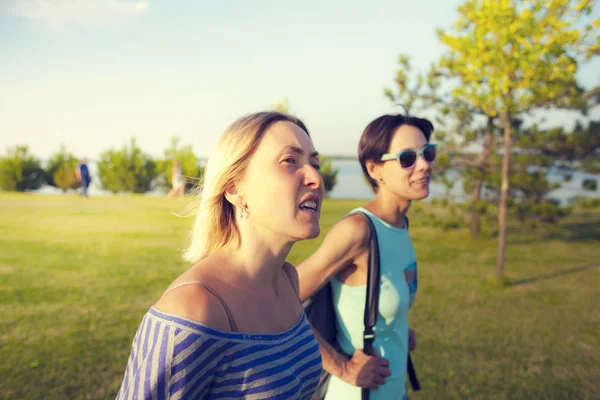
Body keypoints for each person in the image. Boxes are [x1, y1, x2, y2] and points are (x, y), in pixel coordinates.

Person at [116, 111, 324, 399]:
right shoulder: (193, 310)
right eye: (290, 161)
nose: (315, 177)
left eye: (315, 163)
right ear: (234, 188)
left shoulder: (288, 279)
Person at [297, 113, 436, 400]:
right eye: (408, 158)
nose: (424, 165)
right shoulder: (358, 231)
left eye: (428, 153)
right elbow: (283, 296)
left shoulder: (399, 224)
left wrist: (398, 327)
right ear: (375, 169)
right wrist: (343, 367)